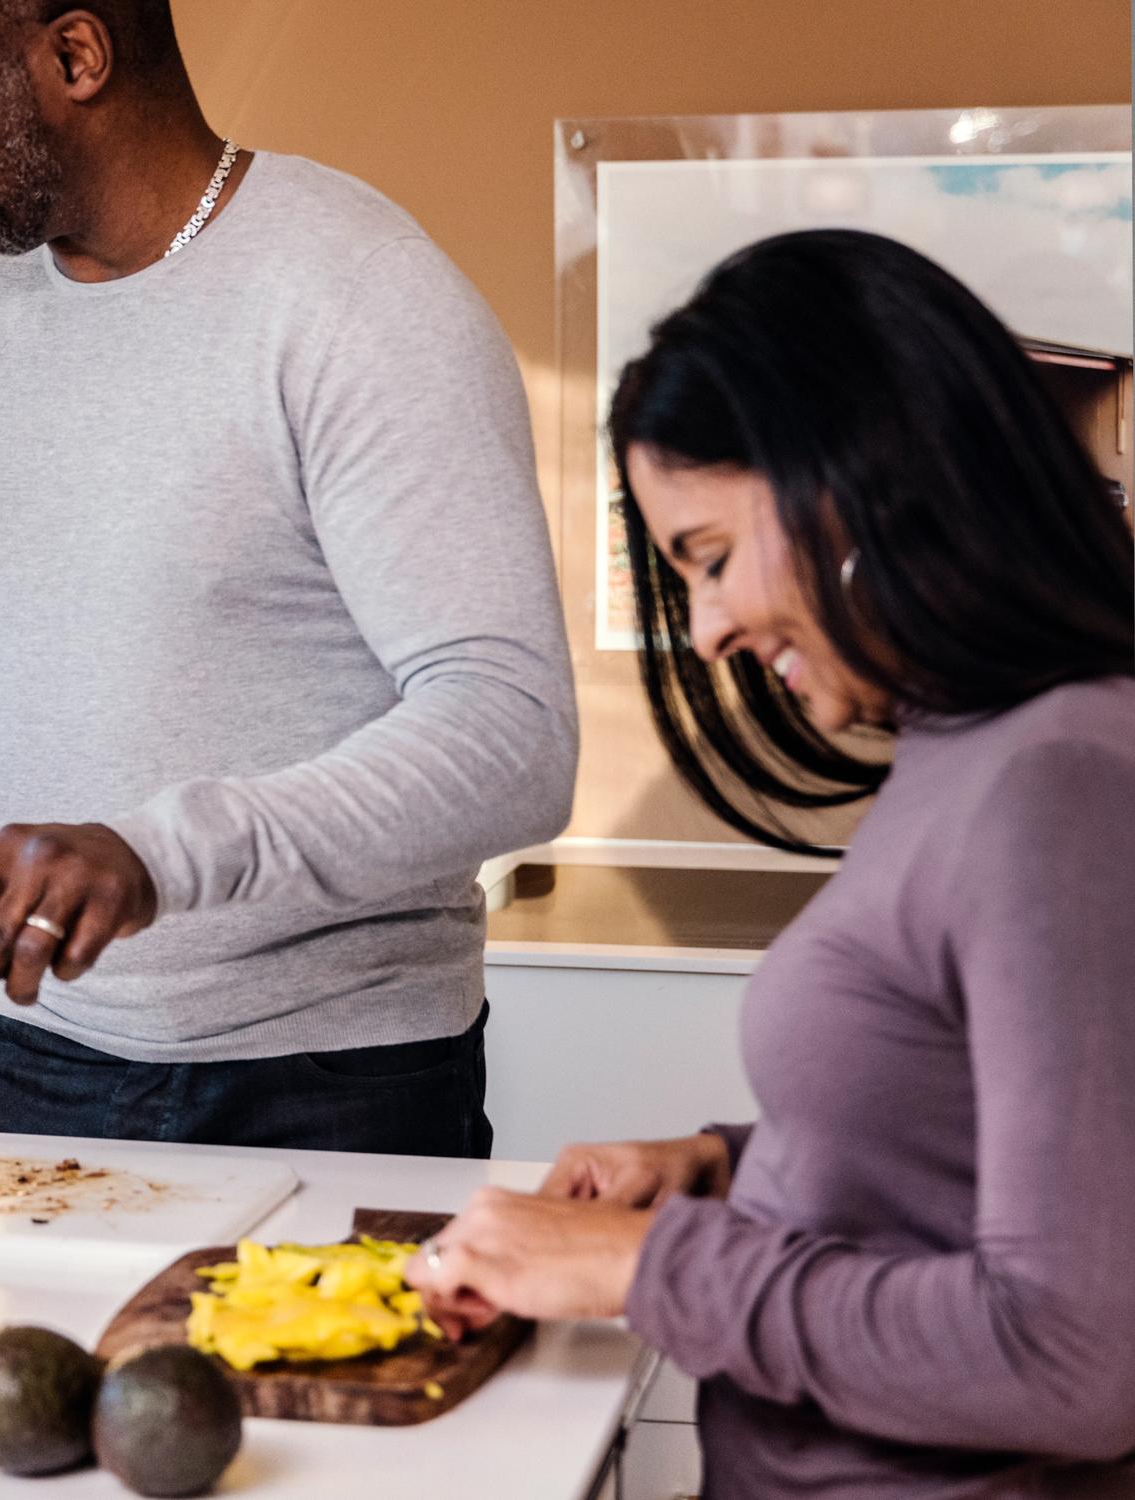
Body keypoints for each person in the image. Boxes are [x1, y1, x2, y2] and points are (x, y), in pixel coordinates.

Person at [0, 0, 576, 1152]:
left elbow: (510, 735)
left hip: (333, 1077)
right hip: (21, 1058)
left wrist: (154, 855)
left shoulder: (358, 297)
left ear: (75, 55)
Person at [405, 230, 1135, 1496]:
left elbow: (1075, 1359)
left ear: (860, 479)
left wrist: (644, 1269)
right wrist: (725, 1169)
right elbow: (974, 1142)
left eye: (711, 556)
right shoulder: (972, 746)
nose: (712, 627)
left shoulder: (1057, 783)